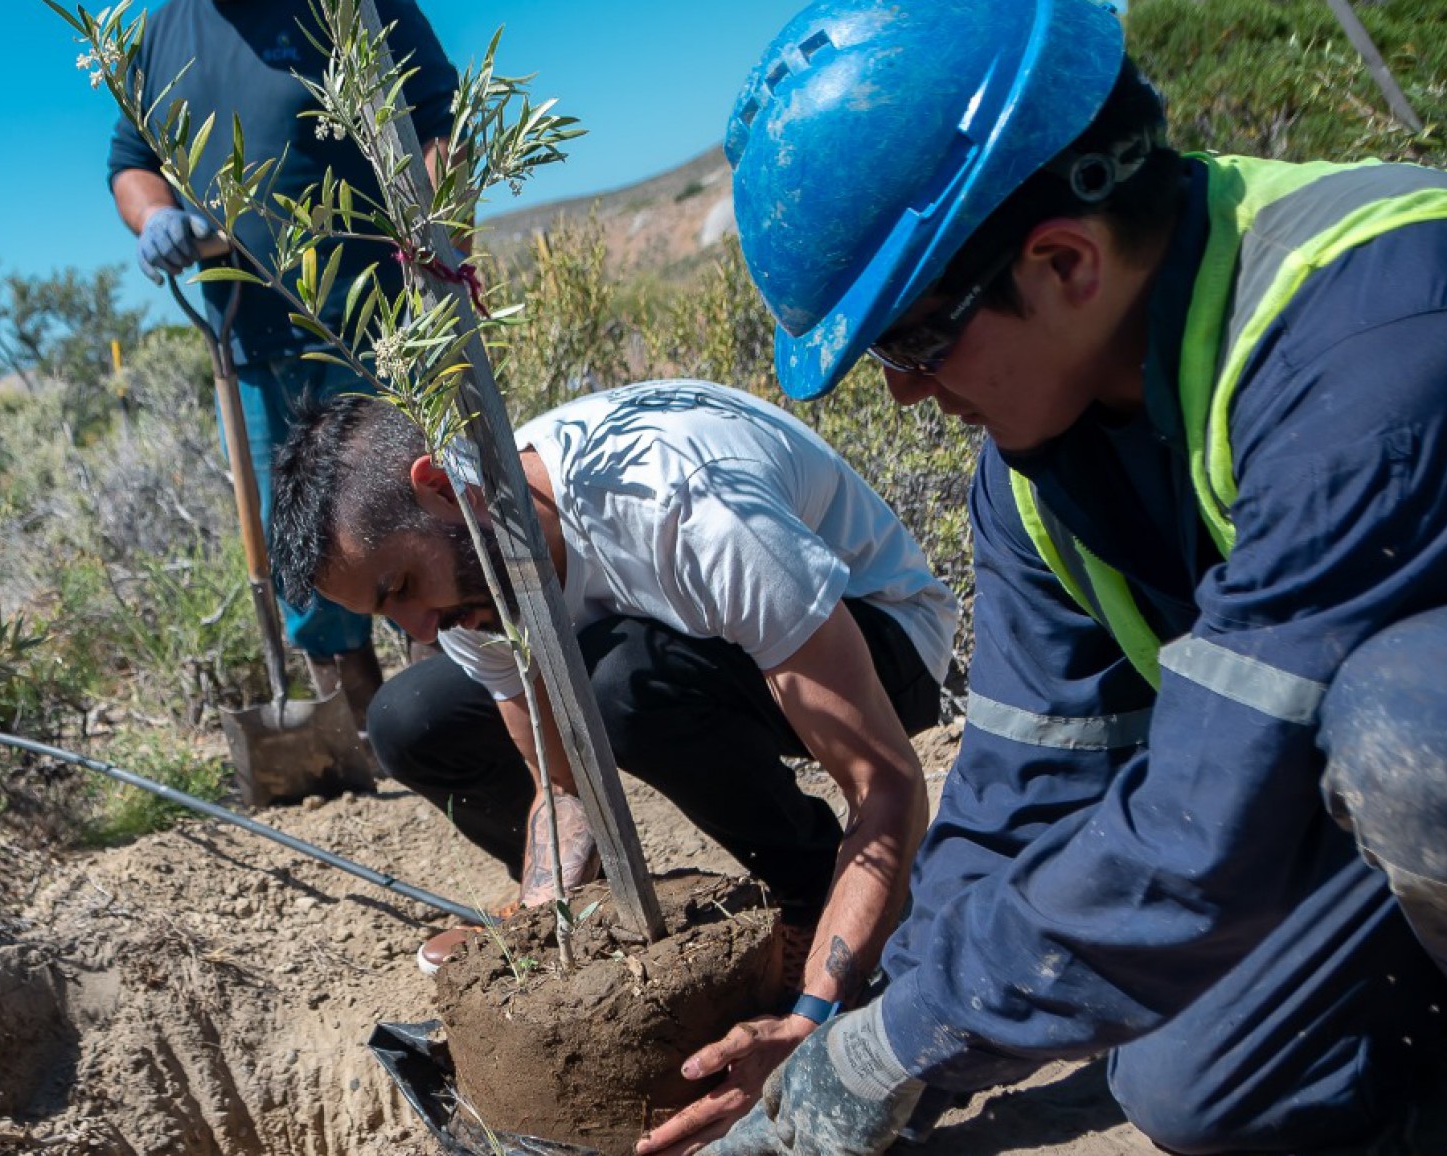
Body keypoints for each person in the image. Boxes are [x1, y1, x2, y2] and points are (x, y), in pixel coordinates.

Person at [687, 0, 1447, 1153]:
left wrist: (899, 1046)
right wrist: (874, 1036)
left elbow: (1208, 835)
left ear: (1065, 260)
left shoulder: (1379, 344)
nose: (904, 393)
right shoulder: (1040, 466)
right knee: (1191, 1078)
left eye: (912, 340)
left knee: (1431, 728)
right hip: (1445, 828)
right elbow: (1024, 792)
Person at [270, 378, 960, 1127]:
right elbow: (558, 782)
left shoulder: (687, 507)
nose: (422, 626)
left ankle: (808, 898)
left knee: (619, 686)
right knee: (412, 715)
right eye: (387, 611)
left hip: (880, 639)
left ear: (442, 486)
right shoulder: (468, 575)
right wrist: (545, 941)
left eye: (402, 585)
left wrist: (811, 1021)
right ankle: (599, 912)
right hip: (684, 641)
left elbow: (886, 781)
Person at [105, 0, 459, 722]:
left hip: (381, 320)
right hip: (254, 339)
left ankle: (457, 704)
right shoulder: (162, 30)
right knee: (301, 543)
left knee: (415, 511)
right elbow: (132, 164)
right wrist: (156, 217)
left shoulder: (352, 5)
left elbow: (437, 118)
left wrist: (438, 241)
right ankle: (348, 725)